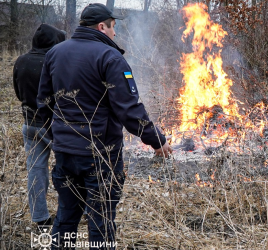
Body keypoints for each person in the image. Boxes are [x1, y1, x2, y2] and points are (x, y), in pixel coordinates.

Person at [36, 3, 172, 248]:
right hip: (99, 156)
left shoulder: (54, 53)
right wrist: (157, 140)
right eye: (113, 27)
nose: (115, 33)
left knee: (66, 217)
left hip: (65, 153)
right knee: (100, 221)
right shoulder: (110, 57)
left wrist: (58, 138)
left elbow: (43, 104)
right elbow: (129, 110)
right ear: (102, 27)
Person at [13, 23, 65, 229]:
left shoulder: (21, 61)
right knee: (69, 170)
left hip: (29, 124)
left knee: (36, 170)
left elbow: (18, 93)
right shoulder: (55, 61)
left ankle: (40, 217)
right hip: (54, 126)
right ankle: (75, 212)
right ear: (54, 42)